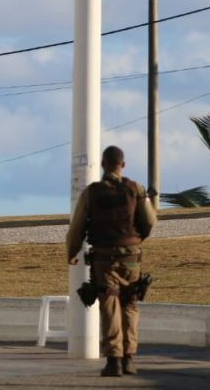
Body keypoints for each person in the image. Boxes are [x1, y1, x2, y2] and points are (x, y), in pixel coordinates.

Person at [66, 146, 156, 377]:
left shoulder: (92, 193)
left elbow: (76, 228)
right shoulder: (136, 189)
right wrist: (136, 240)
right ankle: (129, 358)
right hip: (132, 258)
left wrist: (72, 252)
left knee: (110, 305)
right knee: (130, 304)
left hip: (104, 259)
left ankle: (114, 360)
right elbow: (149, 221)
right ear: (122, 165)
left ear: (103, 165)